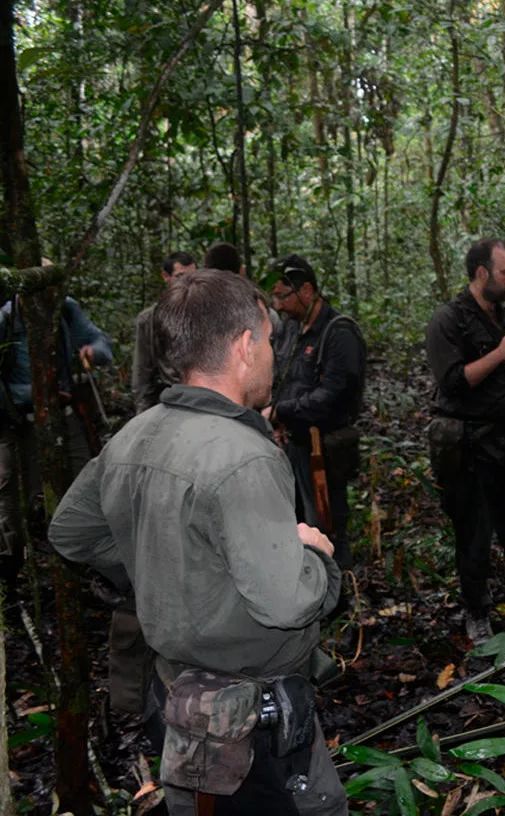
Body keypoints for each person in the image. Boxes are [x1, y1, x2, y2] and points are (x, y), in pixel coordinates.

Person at [49, 269, 346, 814]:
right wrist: (316, 558)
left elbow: (70, 533)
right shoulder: (246, 457)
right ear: (242, 346)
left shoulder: (135, 434)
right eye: (268, 339)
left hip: (175, 702)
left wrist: (159, 568)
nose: (274, 355)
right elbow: (284, 603)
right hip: (252, 720)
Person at [425, 238, 505, 646]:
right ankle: (477, 613)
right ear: (482, 274)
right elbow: (453, 382)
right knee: (475, 534)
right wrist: (499, 352)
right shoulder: (447, 321)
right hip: (470, 446)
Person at [0, 281, 113, 584]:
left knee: (88, 482)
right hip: (18, 422)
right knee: (10, 498)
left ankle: (91, 566)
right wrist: (36, 394)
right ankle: (9, 575)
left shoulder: (65, 308)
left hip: (62, 415)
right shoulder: (7, 319)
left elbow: (100, 342)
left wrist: (93, 351)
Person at [267, 254, 365, 570]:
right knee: (292, 526)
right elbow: (277, 376)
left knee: (326, 526)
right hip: (289, 445)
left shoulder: (339, 333)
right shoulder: (288, 330)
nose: (278, 306)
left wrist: (281, 411)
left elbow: (331, 397)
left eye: (283, 295)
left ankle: (339, 595)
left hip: (324, 449)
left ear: (306, 290)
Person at [132, 251, 197, 413]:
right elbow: (142, 372)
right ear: (166, 276)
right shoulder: (149, 319)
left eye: (192, 276)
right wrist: (142, 414)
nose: (187, 283)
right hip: (170, 400)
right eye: (180, 276)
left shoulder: (205, 313)